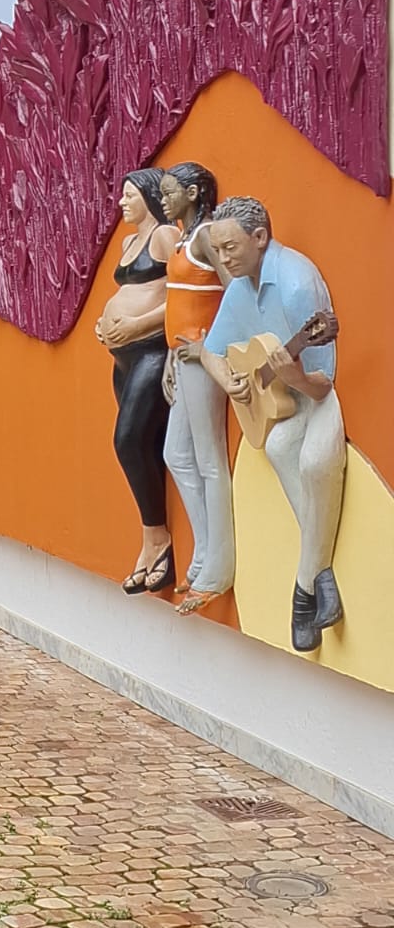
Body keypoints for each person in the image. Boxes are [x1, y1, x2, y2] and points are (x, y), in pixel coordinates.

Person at [201, 198, 346, 654]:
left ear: (260, 237)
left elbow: (322, 383)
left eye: (229, 248)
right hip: (285, 401)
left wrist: (294, 377)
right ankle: (322, 576)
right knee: (280, 445)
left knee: (315, 463)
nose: (223, 259)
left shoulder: (297, 284)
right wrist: (229, 380)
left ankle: (304, 590)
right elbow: (210, 350)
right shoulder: (239, 290)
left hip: (316, 392)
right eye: (217, 250)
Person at [95, 169, 180, 595]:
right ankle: (151, 544)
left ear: (149, 196)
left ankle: (158, 539)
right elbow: (126, 295)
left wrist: (134, 325)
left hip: (151, 351)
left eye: (129, 195)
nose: (122, 203)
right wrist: (106, 325)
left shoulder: (164, 236)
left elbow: (182, 294)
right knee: (142, 448)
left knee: (127, 440)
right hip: (123, 359)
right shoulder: (128, 243)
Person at [159, 163, 234, 613]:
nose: (163, 199)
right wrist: (173, 353)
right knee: (177, 454)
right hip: (182, 358)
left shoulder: (205, 236)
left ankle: (218, 565)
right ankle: (205, 549)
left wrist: (209, 348)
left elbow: (234, 292)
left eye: (170, 192)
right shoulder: (183, 237)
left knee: (209, 461)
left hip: (203, 360)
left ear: (191, 192)